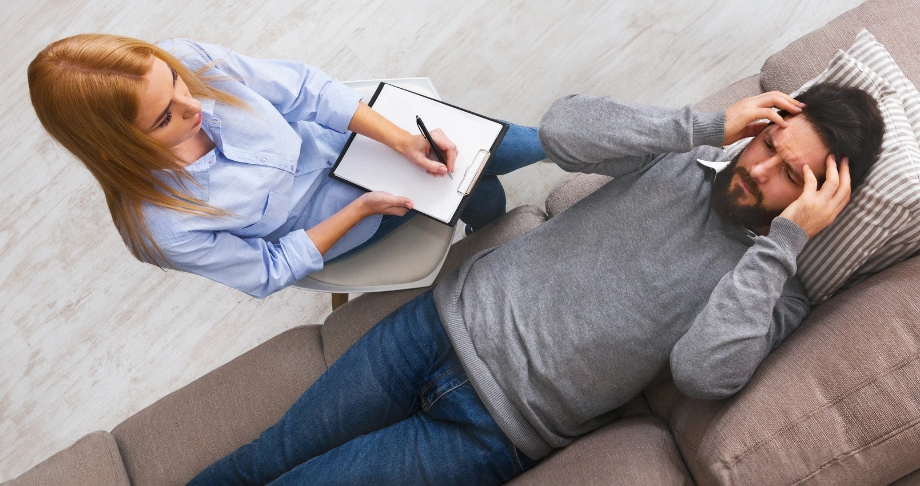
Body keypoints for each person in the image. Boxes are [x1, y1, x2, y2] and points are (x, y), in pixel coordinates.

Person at [189, 83, 885, 486]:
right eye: (771, 148)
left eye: (792, 178)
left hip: (488, 430)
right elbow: (563, 130)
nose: (759, 173)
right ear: (765, 123)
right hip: (432, 330)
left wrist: (786, 242)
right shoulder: (688, 156)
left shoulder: (776, 289)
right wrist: (707, 125)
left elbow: (703, 372)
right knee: (268, 457)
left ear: (819, 201)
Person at [27, 35, 545, 298]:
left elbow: (303, 91)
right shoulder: (163, 226)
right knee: (478, 172)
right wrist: (362, 209)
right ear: (117, 147)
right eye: (166, 118)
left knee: (493, 150)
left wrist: (402, 140)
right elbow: (270, 269)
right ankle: (496, 227)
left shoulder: (183, 59)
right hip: (336, 219)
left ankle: (518, 201)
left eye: (176, 82)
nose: (194, 105)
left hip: (347, 140)